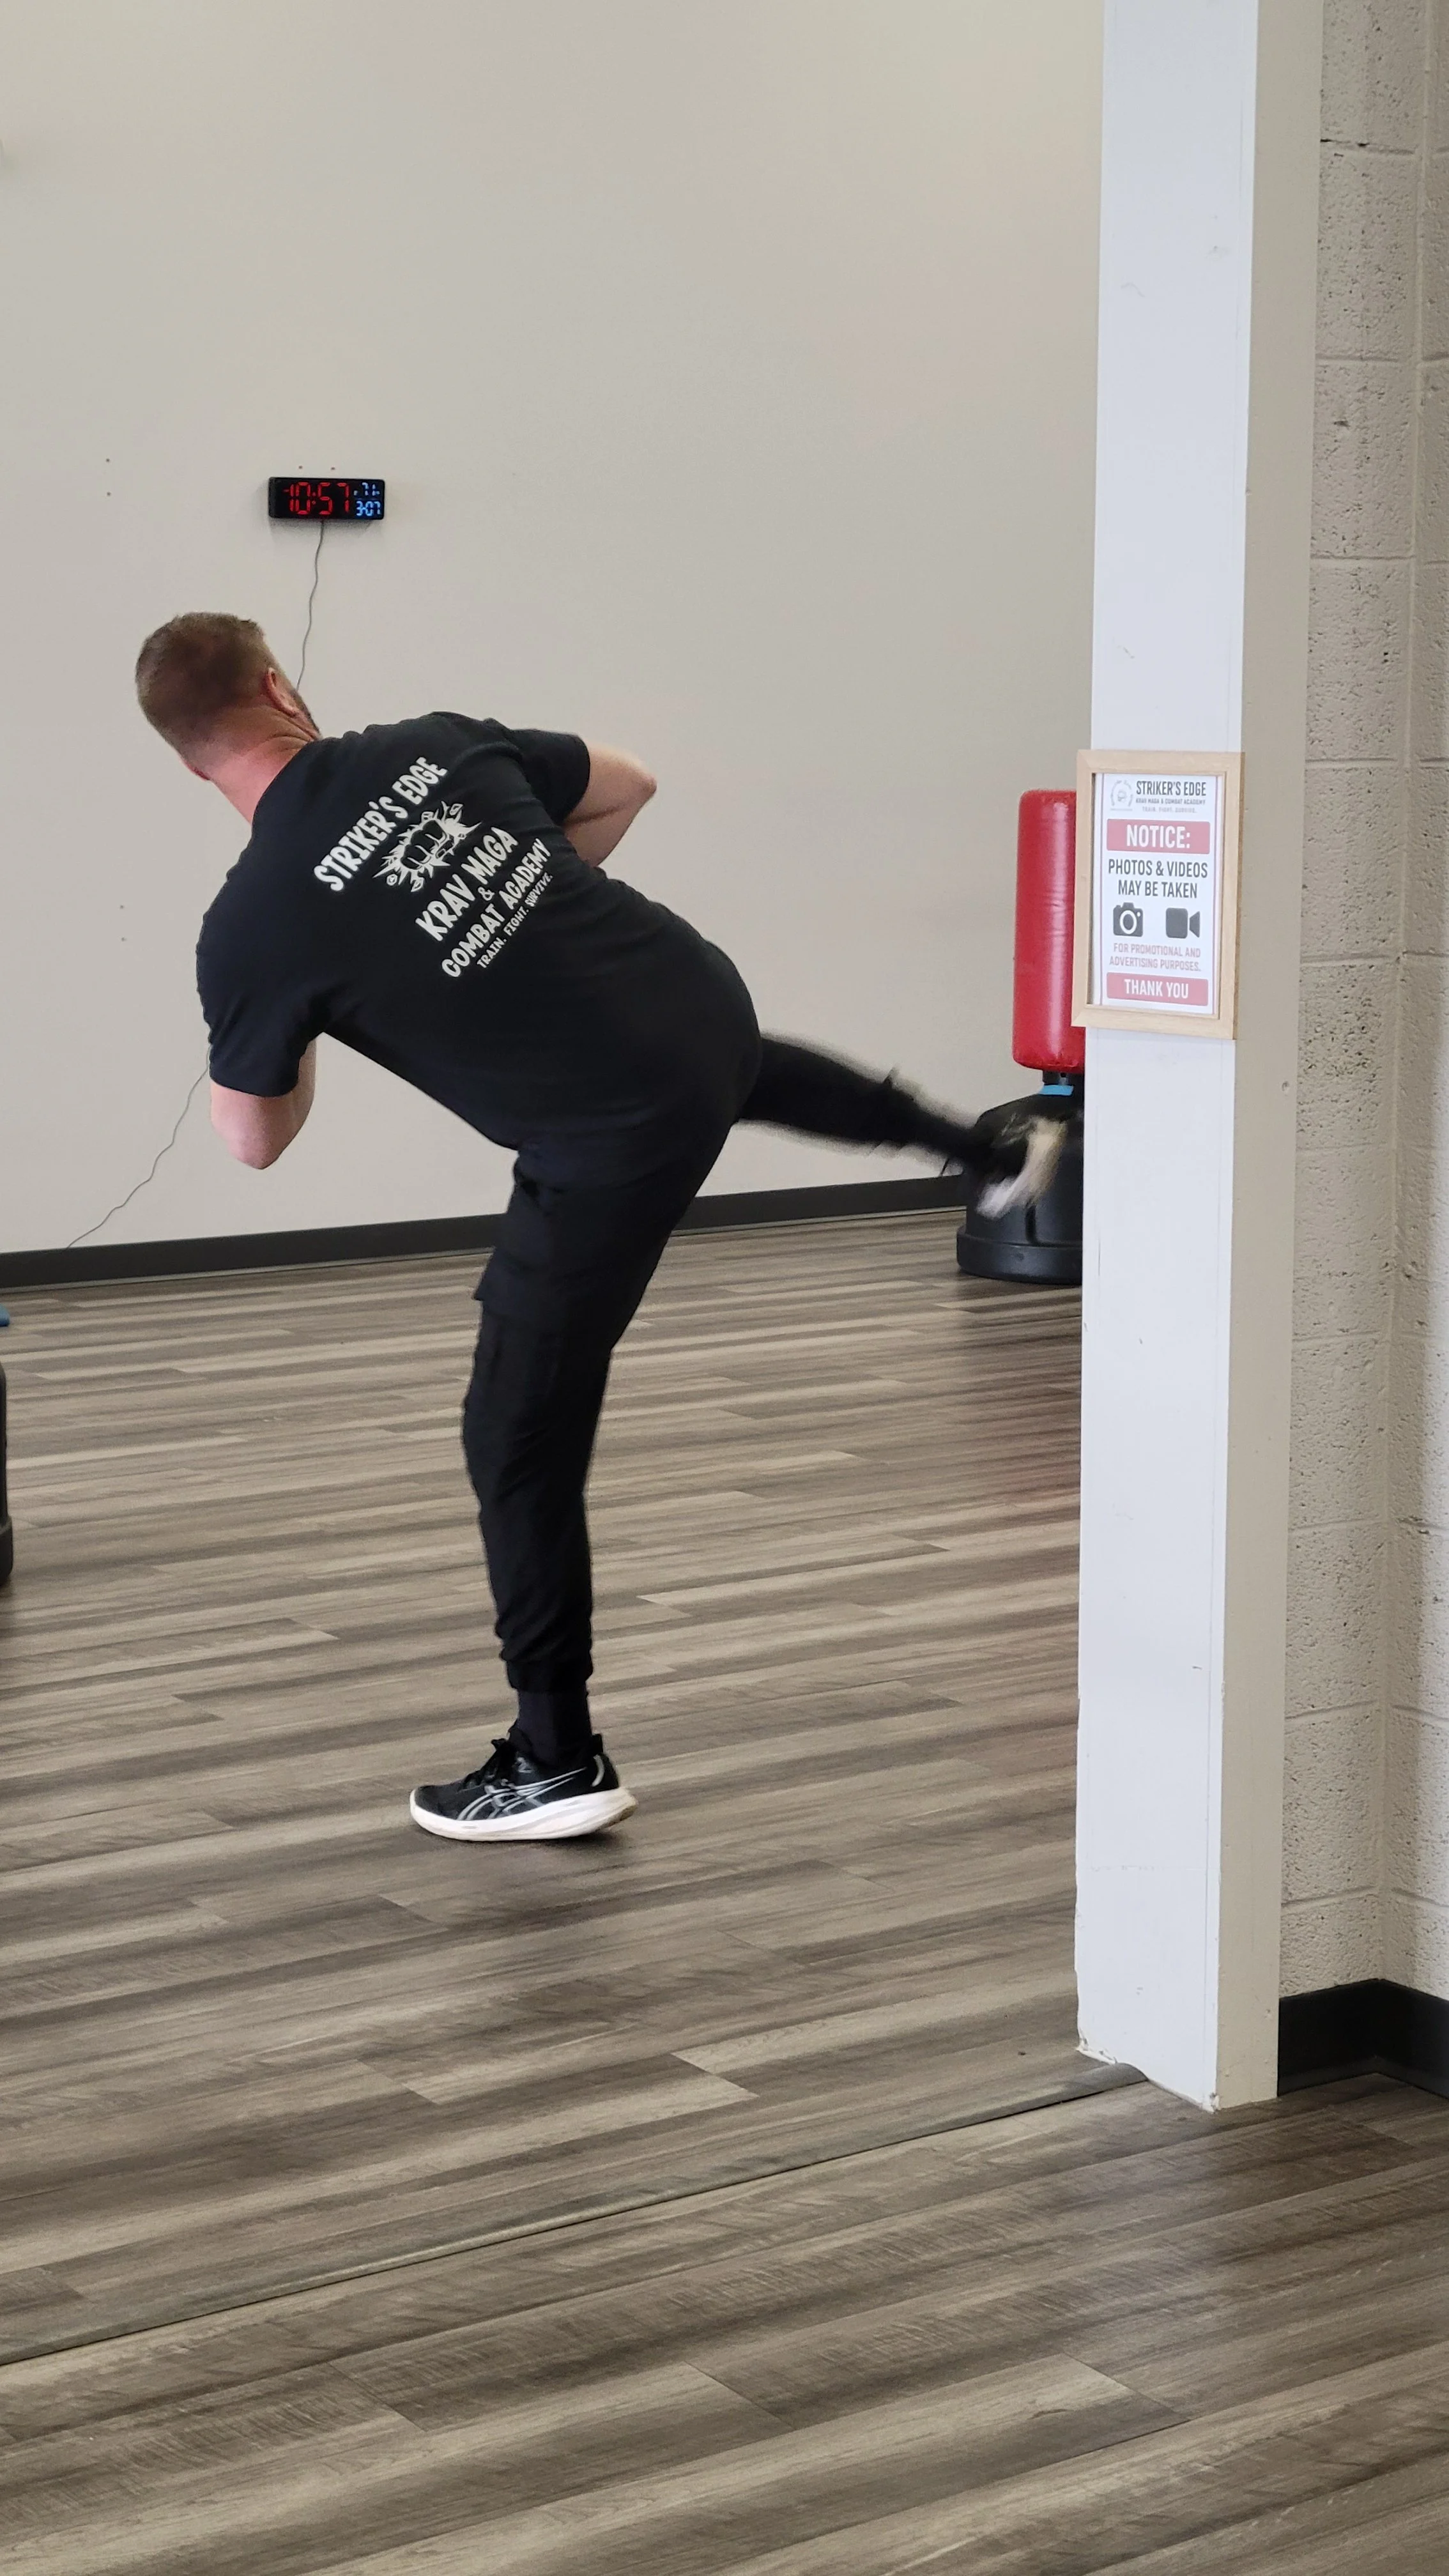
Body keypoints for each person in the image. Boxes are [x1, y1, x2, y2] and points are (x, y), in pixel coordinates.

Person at [134, 613, 1061, 1844]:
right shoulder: (433, 744)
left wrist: (309, 1034)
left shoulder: (251, 927)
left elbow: (253, 1139)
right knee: (721, 1064)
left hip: (603, 1149)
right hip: (694, 1006)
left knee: (514, 1434)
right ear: (276, 685)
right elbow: (628, 782)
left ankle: (555, 1756)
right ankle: (983, 1146)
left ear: (189, 759)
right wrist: (530, 902)